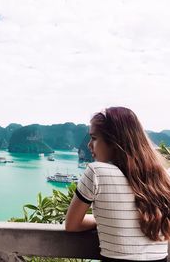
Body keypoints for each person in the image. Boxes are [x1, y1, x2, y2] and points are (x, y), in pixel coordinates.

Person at [65, 107, 170, 262]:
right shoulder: (163, 176)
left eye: (94, 138)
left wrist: (102, 220)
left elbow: (72, 224)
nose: (89, 145)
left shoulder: (96, 172)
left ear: (114, 141)